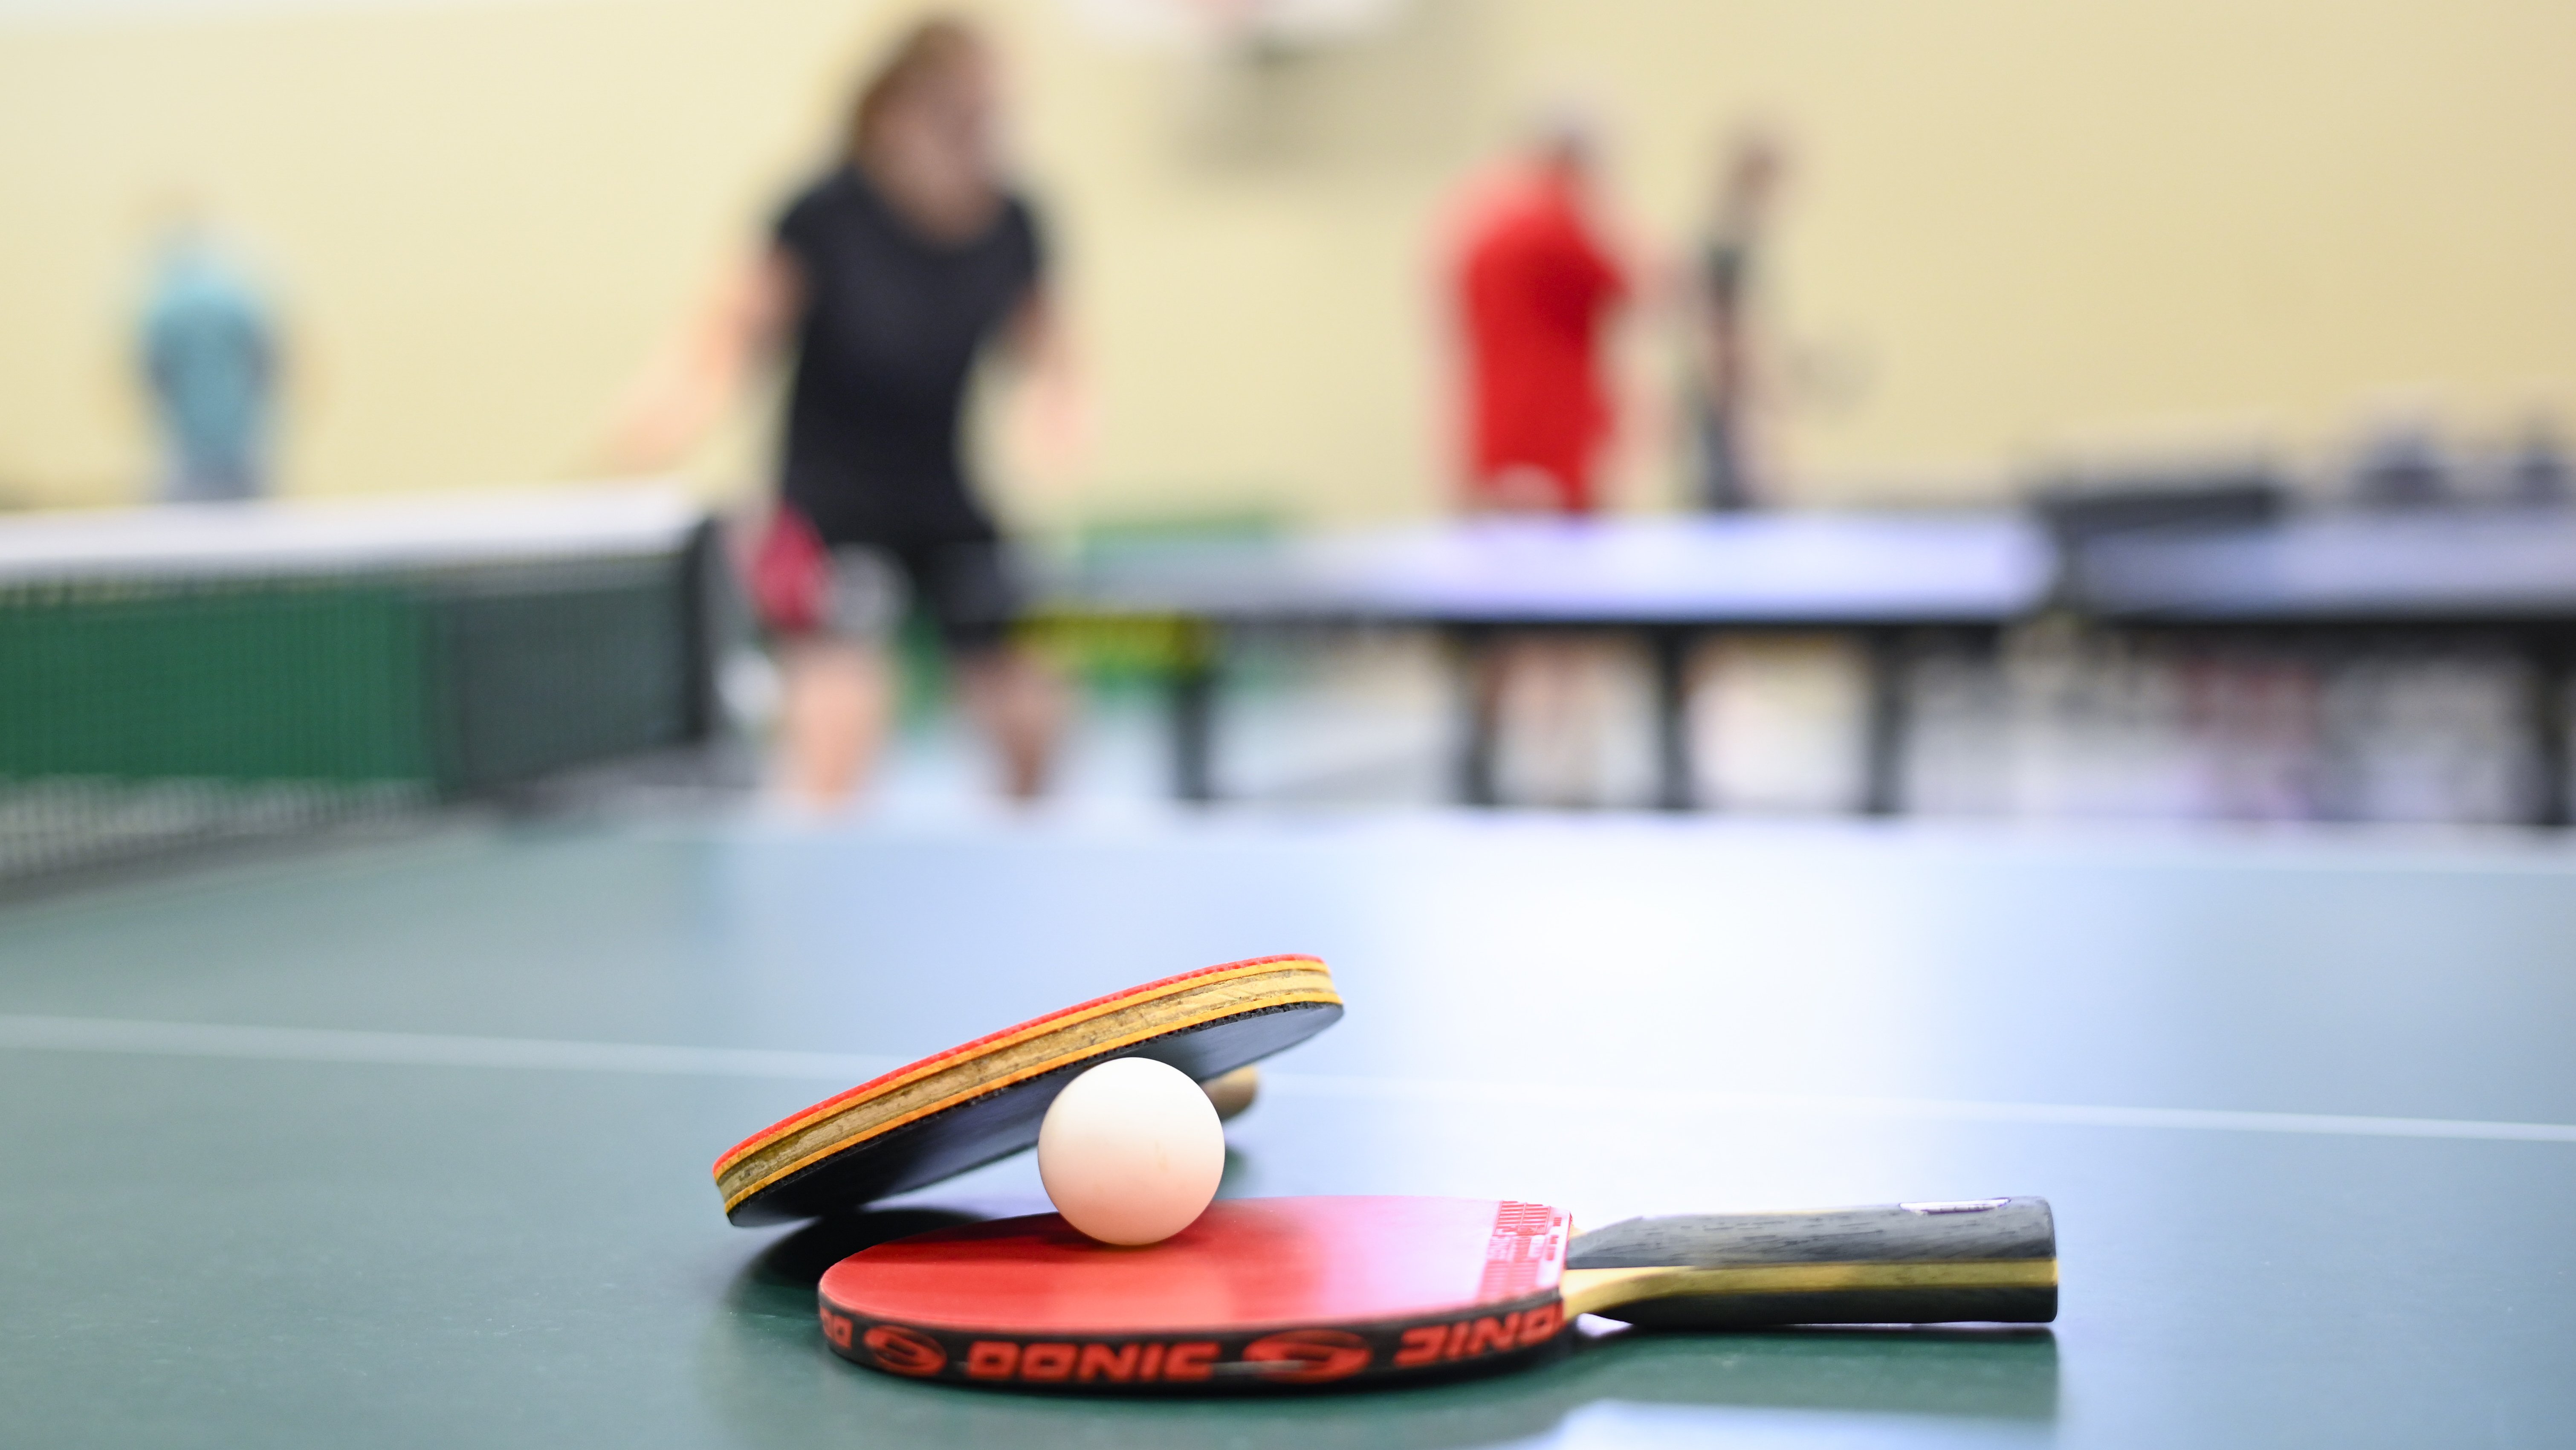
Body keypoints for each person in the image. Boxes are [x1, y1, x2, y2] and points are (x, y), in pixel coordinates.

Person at [606, 16, 1074, 807]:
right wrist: (670, 412)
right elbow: (730, 331)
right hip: (824, 513)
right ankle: (817, 869)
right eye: (962, 115)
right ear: (895, 113)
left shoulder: (1013, 222)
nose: (982, 136)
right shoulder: (821, 216)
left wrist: (1057, 411)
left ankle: (1023, 864)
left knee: (1032, 712)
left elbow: (1052, 350)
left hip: (945, 504)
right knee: (842, 719)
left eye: (992, 117)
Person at [1442, 117, 1631, 806]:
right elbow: (1631, 283)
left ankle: (1480, 762)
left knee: (1491, 617)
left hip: (1490, 443)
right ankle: (1567, 773)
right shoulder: (1559, 222)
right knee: (1568, 621)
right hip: (1555, 444)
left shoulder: (1478, 223)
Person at [139, 221, 281, 503]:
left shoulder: (166, 310)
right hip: (239, 438)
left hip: (190, 442)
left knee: (186, 517)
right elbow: (265, 363)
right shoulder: (237, 302)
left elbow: (155, 375)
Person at [1685, 130, 1786, 512]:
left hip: (1727, 394)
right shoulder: (1728, 242)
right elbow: (1724, 329)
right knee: (1733, 500)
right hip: (1728, 399)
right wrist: (1759, 399)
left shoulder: (1727, 238)